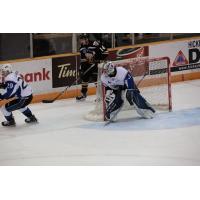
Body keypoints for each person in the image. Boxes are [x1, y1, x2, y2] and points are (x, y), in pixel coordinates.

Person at [76, 34, 108, 101]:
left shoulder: (95, 44)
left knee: (96, 80)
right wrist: (81, 69)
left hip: (95, 65)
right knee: (84, 80)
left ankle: (101, 95)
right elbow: (82, 59)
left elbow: (105, 52)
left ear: (86, 39)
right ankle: (83, 95)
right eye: (80, 40)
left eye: (82, 40)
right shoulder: (82, 47)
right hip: (86, 66)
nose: (81, 42)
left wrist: (97, 60)